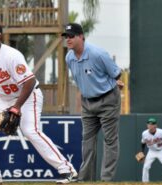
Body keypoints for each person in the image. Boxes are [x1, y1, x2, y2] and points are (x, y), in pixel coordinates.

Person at [0, 21, 77, 185]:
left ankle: (67, 170)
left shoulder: (11, 55)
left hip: (28, 96)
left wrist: (17, 107)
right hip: (5, 99)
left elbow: (29, 82)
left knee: (30, 131)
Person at [61, 23, 124, 182]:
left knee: (110, 141)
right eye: (66, 37)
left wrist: (116, 82)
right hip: (88, 102)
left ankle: (106, 179)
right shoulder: (69, 57)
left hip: (108, 99)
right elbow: (80, 79)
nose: (68, 39)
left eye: (72, 36)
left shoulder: (98, 54)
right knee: (87, 141)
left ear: (81, 36)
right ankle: (86, 179)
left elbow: (116, 73)